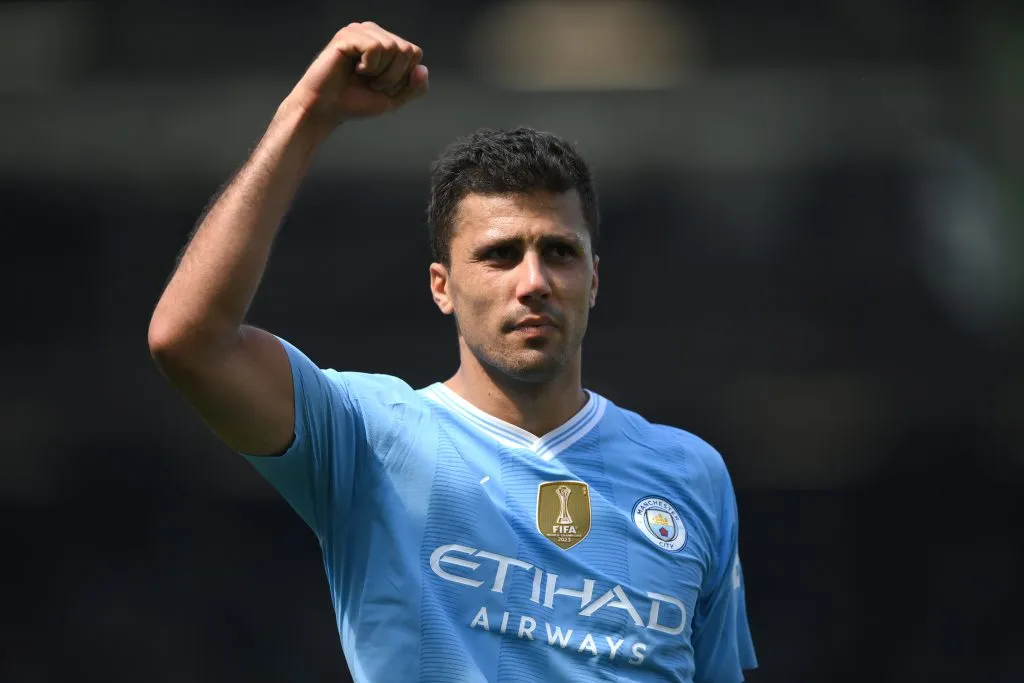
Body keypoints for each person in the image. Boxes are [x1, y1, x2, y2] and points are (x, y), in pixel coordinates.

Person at [148, 21, 757, 683]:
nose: (533, 282)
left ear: (594, 278)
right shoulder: (368, 437)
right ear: (443, 286)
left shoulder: (692, 476)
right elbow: (191, 340)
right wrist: (306, 116)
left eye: (559, 252)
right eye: (499, 255)